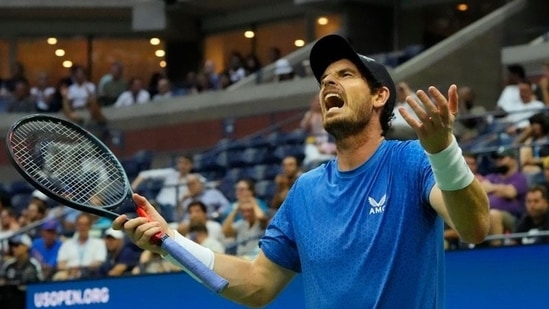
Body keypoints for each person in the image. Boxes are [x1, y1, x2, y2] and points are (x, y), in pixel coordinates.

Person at [113, 34, 489, 308]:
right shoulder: (306, 191)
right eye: (325, 78)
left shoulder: (411, 161)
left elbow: (474, 228)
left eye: (345, 74)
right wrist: (171, 243)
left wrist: (442, 149)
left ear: (379, 96)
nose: (328, 82)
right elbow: (257, 284)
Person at [481, 146, 528, 246]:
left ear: (513, 159)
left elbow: (510, 193)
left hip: (514, 219)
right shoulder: (491, 176)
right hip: (485, 214)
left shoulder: (519, 178)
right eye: (497, 159)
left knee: (494, 214)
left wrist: (492, 188)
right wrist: (501, 189)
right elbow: (482, 189)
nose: (498, 161)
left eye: (502, 158)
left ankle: (496, 249)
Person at [131, 155, 195, 223]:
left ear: (191, 165)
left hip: (174, 209)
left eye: (185, 163)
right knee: (143, 191)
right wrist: (132, 188)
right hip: (159, 204)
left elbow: (203, 186)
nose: (182, 166)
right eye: (180, 162)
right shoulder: (170, 173)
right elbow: (144, 174)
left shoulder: (194, 179)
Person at [53, 213, 107, 280]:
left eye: (85, 224)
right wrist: (71, 269)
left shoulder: (99, 243)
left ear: (90, 226)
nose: (82, 227)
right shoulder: (67, 244)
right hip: (69, 274)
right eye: (80, 224)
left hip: (91, 275)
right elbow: (60, 264)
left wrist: (81, 269)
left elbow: (98, 262)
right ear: (76, 225)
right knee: (59, 276)